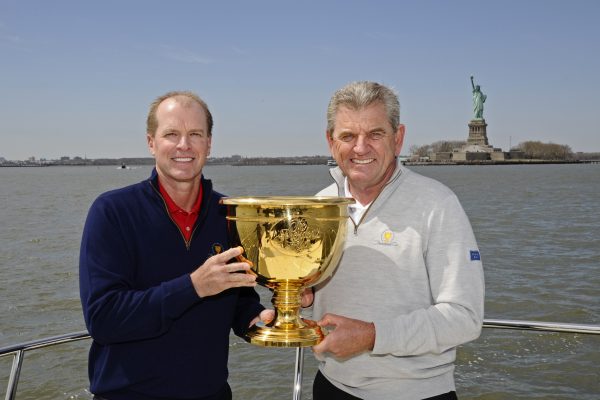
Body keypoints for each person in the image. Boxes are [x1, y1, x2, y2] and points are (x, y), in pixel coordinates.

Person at [79, 91, 271, 400]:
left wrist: (255, 320)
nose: (184, 145)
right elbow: (103, 319)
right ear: (151, 142)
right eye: (171, 134)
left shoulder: (230, 214)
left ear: (209, 143)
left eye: (195, 134)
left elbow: (239, 298)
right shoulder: (112, 212)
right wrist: (193, 286)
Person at [302, 81, 485, 400]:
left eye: (375, 134)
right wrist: (299, 299)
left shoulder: (438, 205)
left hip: (417, 393)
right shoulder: (319, 205)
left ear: (397, 138)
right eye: (348, 136)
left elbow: (464, 317)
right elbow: (316, 302)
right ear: (331, 141)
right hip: (331, 387)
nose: (360, 148)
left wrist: (372, 336)